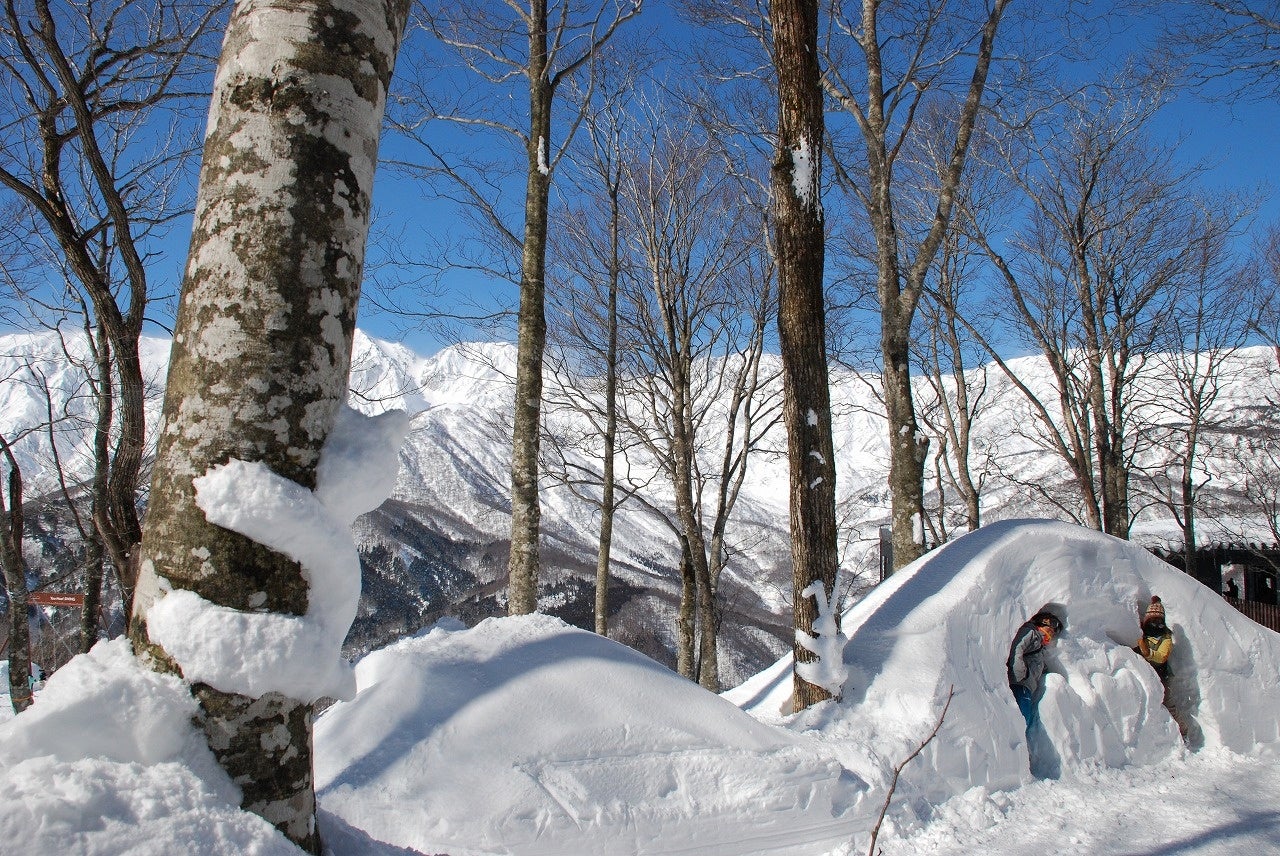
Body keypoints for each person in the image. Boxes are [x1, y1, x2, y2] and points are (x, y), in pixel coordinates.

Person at [1137, 595, 1186, 736]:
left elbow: (1162, 656)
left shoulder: (1166, 638)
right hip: (1144, 673)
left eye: (1159, 621)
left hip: (1161, 676)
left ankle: (1182, 732)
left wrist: (1147, 652)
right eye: (1153, 621)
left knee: (1167, 705)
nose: (1156, 624)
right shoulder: (1143, 633)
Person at [1007, 611, 1062, 735]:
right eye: (1049, 631)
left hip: (1026, 687)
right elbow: (1017, 648)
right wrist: (1020, 673)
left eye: (1052, 635)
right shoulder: (1031, 633)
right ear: (1042, 623)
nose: (1049, 636)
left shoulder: (1040, 649)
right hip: (1019, 683)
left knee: (1024, 720)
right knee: (1020, 719)